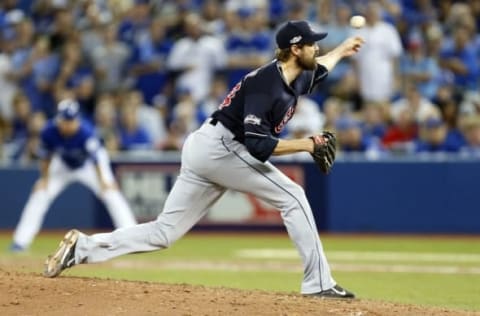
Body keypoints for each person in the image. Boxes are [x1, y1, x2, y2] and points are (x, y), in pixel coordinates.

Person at [44, 20, 364, 299]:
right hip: (222, 148)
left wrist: (343, 50)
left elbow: (321, 69)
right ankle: (318, 283)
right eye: (313, 44)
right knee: (293, 196)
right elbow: (258, 145)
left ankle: (81, 248)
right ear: (295, 49)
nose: (318, 48)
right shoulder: (265, 85)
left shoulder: (296, 75)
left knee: (164, 233)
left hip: (208, 147)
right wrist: (308, 144)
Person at [10, 98, 136, 252]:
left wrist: (104, 181)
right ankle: (20, 242)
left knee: (111, 193)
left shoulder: (86, 131)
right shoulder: (49, 131)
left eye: (71, 120)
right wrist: (44, 179)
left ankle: (133, 239)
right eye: (65, 120)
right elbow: (46, 157)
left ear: (77, 119)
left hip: (89, 166)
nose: (68, 124)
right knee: (40, 194)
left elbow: (96, 158)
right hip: (62, 165)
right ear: (59, 119)